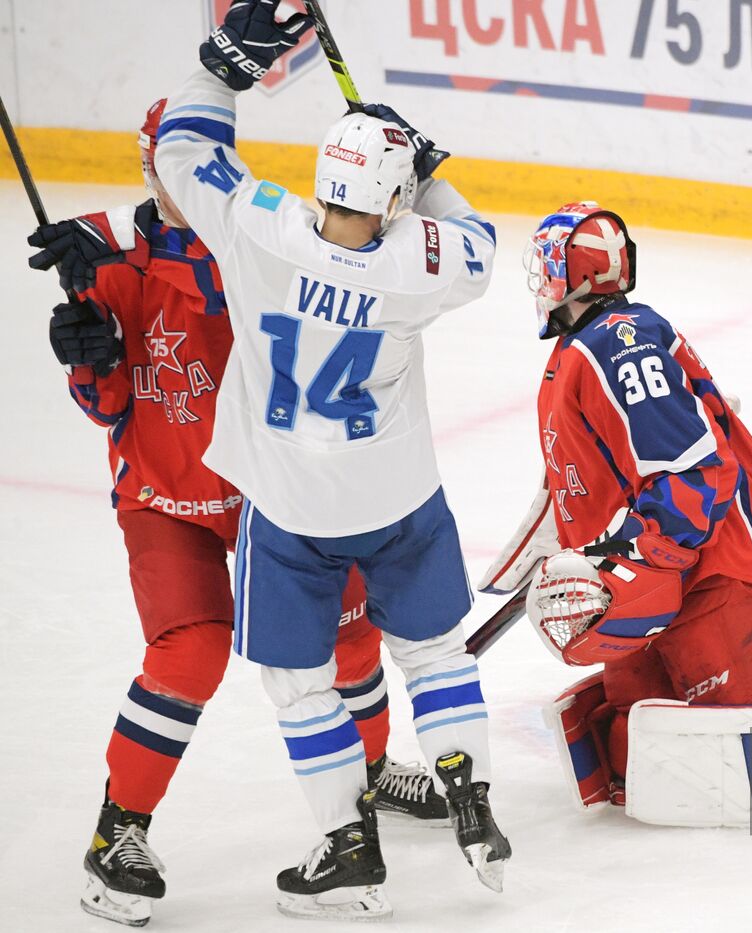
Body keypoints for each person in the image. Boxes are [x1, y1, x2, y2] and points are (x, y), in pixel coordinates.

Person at [27, 98, 450, 928]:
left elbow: (225, 283)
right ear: (150, 170)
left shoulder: (260, 241)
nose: (175, 185)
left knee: (351, 631)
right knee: (191, 651)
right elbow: (113, 406)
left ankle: (365, 774)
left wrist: (117, 236)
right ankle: (119, 834)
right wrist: (89, 359)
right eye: (162, 172)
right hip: (165, 496)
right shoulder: (107, 262)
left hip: (270, 488)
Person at [150, 1, 507, 918]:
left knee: (300, 682)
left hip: (295, 505)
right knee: (429, 649)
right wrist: (425, 178)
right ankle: (470, 793)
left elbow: (182, 153)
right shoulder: (417, 263)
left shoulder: (259, 227)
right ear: (389, 200)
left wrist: (225, 70)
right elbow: (479, 246)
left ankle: (350, 847)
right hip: (399, 495)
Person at [482, 201, 752, 804]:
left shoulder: (616, 345)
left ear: (571, 275)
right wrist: (559, 556)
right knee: (636, 763)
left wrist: (627, 561)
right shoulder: (575, 354)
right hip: (664, 580)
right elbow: (576, 483)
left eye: (546, 265)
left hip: (720, 573)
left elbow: (695, 474)